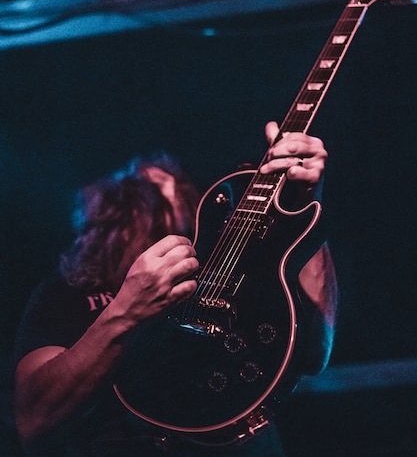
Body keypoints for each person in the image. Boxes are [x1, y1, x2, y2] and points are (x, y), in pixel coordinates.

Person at [13, 121, 338, 456]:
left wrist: (305, 206)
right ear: (110, 220)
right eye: (149, 205)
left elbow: (315, 355)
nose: (172, 221)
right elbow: (34, 421)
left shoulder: (218, 279)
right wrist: (126, 312)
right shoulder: (68, 292)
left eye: (183, 201)